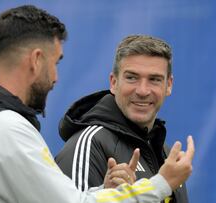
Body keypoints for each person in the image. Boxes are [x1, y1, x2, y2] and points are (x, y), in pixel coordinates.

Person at [0, 5, 195, 203]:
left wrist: (104, 192)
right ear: (36, 60)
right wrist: (161, 183)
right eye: (56, 62)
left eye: (154, 80)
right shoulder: (5, 128)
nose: (55, 77)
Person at [56, 35, 189, 202]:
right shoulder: (89, 144)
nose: (142, 91)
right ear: (113, 82)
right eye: (132, 77)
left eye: (154, 79)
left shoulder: (166, 154)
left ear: (168, 85)